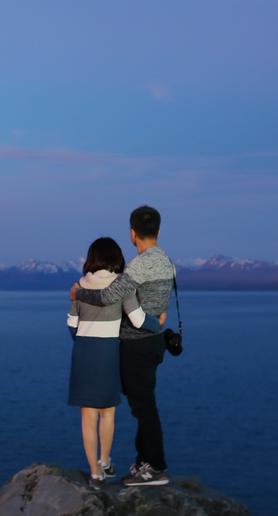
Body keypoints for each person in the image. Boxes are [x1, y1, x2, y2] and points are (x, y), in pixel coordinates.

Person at [70, 205, 175, 487]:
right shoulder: (167, 261)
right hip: (154, 343)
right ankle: (144, 461)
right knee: (142, 405)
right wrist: (159, 322)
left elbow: (109, 297)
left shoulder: (138, 265)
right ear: (158, 231)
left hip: (137, 344)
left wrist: (77, 292)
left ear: (132, 233)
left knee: (144, 408)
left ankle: (156, 468)